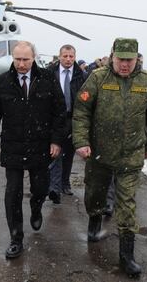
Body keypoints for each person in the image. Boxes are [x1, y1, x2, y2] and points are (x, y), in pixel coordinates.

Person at [72, 38, 147, 276]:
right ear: (112, 56)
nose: (124, 64)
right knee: (95, 194)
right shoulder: (98, 78)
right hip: (99, 153)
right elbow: (81, 112)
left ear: (137, 59)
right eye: (120, 59)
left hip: (131, 155)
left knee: (127, 204)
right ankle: (94, 221)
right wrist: (81, 141)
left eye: (129, 60)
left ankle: (126, 257)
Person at [0, 41, 66, 259]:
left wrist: (56, 141)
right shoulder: (3, 82)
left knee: (40, 188)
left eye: (25, 59)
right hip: (13, 146)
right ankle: (16, 238)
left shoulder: (47, 79)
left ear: (34, 57)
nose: (20, 64)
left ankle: (36, 208)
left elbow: (59, 112)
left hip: (41, 145)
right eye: (17, 59)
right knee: (13, 192)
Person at [47, 45, 86, 204]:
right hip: (55, 118)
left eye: (71, 56)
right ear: (59, 57)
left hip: (73, 118)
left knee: (68, 153)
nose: (68, 59)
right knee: (55, 152)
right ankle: (54, 187)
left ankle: (65, 183)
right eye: (65, 56)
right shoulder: (50, 73)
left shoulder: (81, 75)